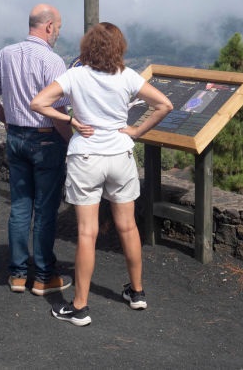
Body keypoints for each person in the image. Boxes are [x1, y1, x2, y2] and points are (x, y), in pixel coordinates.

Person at [30, 22, 173, 327]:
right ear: (118, 47)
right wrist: (135, 131)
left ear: (88, 47)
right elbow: (164, 104)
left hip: (86, 156)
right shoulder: (128, 76)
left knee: (86, 233)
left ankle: (80, 307)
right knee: (128, 228)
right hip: (120, 154)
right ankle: (136, 293)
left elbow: (38, 103)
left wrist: (69, 119)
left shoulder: (76, 76)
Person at [0, 4, 74, 296]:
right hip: (46, 140)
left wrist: (9, 120)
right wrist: (72, 142)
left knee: (20, 206)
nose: (58, 32)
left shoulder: (5, 54)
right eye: (58, 27)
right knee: (45, 210)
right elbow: (57, 110)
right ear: (48, 27)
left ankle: (18, 275)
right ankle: (44, 276)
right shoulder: (52, 61)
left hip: (16, 139)